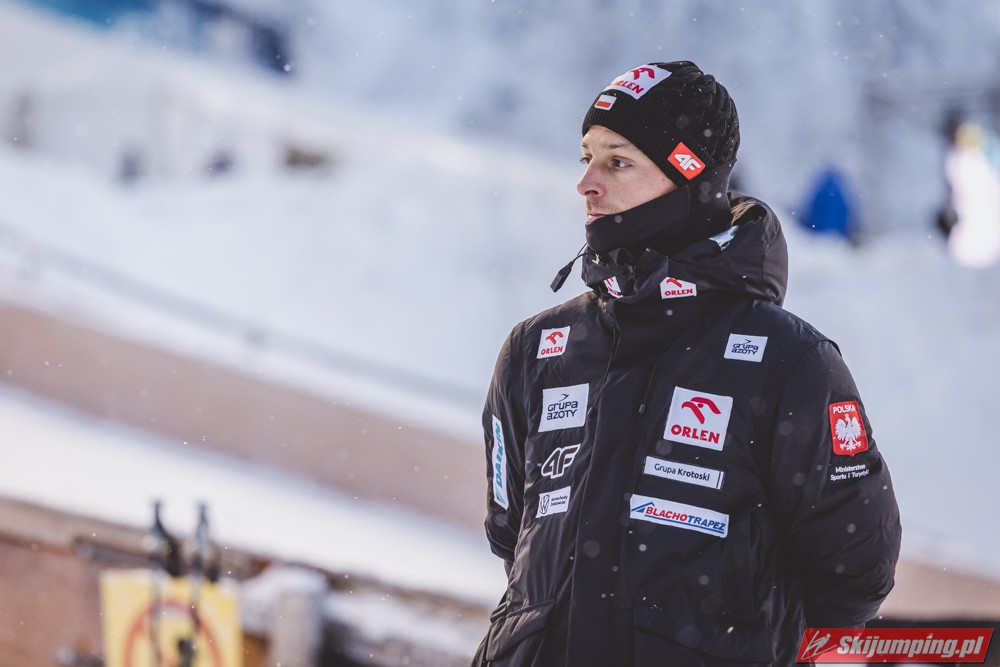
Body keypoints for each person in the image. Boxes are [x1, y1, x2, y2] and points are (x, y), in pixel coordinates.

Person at [474, 61, 901, 667]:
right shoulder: (537, 349)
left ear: (689, 175)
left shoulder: (788, 361)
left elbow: (855, 569)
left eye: (617, 162)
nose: (586, 183)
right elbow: (511, 536)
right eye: (586, 158)